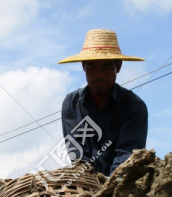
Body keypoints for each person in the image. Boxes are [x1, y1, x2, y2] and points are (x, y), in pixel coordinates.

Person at [58, 29, 148, 176]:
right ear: (83, 67)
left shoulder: (134, 106)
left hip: (121, 183)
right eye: (92, 67)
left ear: (118, 66)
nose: (99, 74)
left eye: (106, 66)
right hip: (86, 181)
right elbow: (78, 155)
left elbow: (127, 154)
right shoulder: (71, 104)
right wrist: (90, 184)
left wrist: (109, 187)